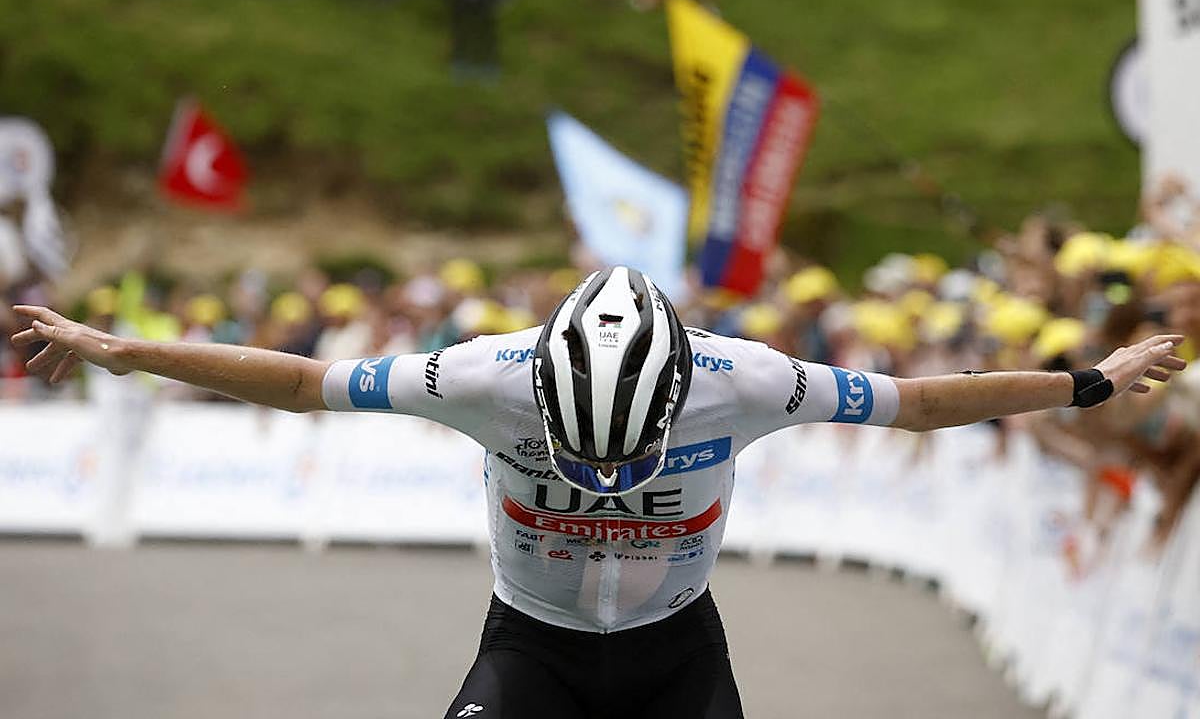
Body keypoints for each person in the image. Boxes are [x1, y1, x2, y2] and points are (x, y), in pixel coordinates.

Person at [9, 265, 1189, 718]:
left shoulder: (752, 379)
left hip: (680, 656)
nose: (609, 484)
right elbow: (309, 380)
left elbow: (921, 400)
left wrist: (1089, 380)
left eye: (630, 460)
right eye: (585, 458)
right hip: (535, 647)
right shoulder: (479, 373)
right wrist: (134, 352)